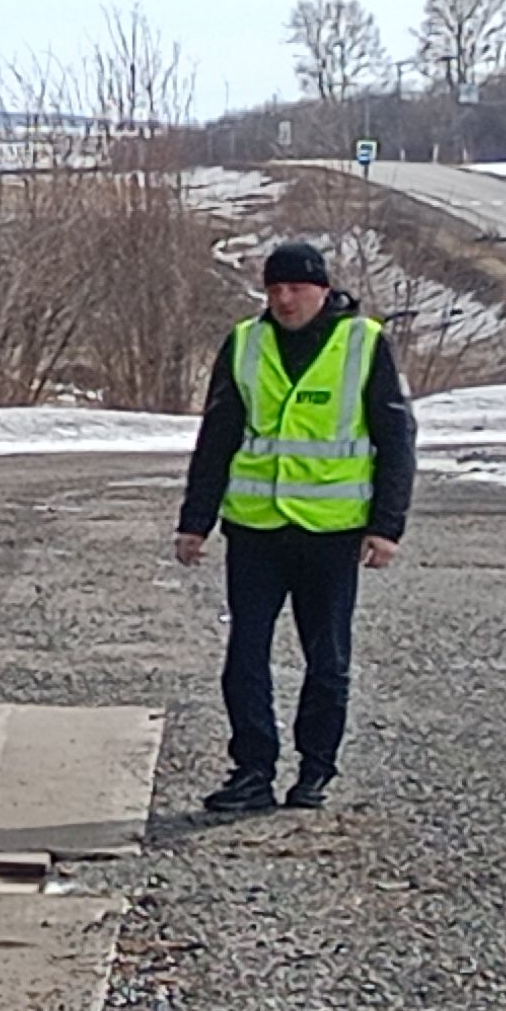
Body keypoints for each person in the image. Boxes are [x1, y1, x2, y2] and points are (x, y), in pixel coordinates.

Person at [173, 240, 415, 813]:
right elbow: (218, 439)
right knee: (245, 656)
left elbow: (395, 440)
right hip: (256, 528)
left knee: (326, 659)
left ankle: (315, 769)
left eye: (296, 288)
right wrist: (195, 521)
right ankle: (252, 770)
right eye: (274, 289)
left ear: (323, 290)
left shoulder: (363, 343)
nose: (284, 299)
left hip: (332, 531)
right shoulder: (244, 344)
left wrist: (387, 527)